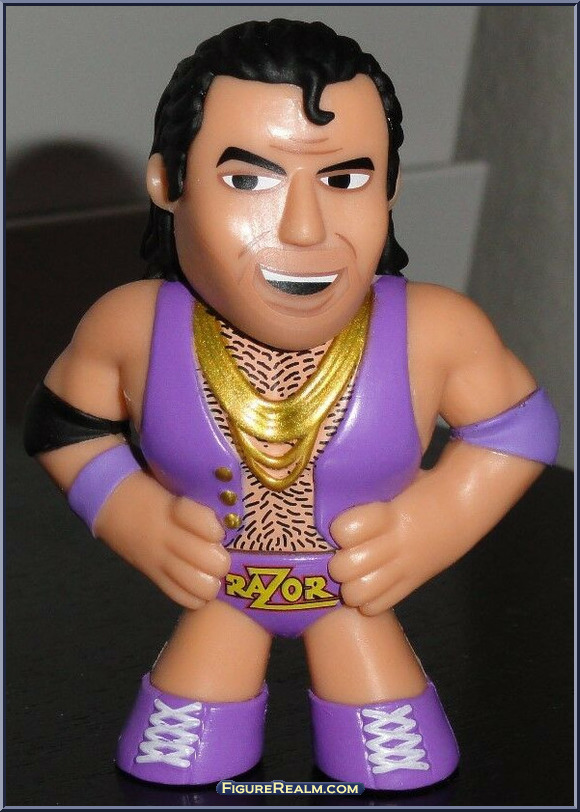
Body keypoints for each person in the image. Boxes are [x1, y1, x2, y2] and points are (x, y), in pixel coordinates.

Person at [24, 19, 559, 791]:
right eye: (248, 181)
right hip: (221, 592)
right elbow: (62, 424)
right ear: (169, 183)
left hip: (353, 596)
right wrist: (130, 512)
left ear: (390, 185)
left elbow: (517, 426)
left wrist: (435, 520)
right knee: (175, 764)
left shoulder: (436, 331)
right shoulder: (130, 328)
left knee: (395, 769)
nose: (304, 228)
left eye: (344, 179)